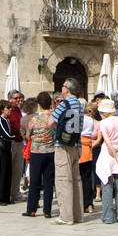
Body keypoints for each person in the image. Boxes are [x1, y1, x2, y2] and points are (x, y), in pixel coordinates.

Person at [47, 79, 85, 224]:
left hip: (62, 145)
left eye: (63, 85)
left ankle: (66, 217)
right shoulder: (80, 105)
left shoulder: (64, 104)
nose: (61, 87)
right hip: (76, 145)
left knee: (63, 180)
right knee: (76, 180)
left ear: (67, 89)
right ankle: (77, 214)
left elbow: (50, 122)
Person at [94, 98, 118, 224]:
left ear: (103, 113)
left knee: (107, 186)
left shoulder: (103, 123)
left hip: (108, 155)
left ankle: (108, 216)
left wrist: (114, 153)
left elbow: (107, 141)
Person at [22, 93, 55, 217]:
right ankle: (47, 210)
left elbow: (28, 135)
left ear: (39, 104)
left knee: (34, 181)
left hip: (36, 152)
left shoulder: (33, 119)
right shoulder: (53, 118)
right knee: (48, 182)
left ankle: (31, 209)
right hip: (50, 151)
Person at [0, 102, 16, 205]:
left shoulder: (7, 121)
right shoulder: (0, 120)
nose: (9, 110)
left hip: (7, 149)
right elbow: (6, 135)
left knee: (7, 172)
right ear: (2, 110)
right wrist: (14, 137)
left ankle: (5, 196)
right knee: (1, 172)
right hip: (1, 149)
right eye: (7, 108)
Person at [79, 99, 99, 213]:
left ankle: (81, 203)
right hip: (88, 147)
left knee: (79, 177)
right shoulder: (90, 120)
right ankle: (89, 204)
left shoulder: (77, 119)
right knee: (87, 177)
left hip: (79, 147)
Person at [7, 90, 25, 202]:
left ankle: (15, 192)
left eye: (19, 98)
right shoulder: (7, 110)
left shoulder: (19, 110)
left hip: (20, 142)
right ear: (10, 99)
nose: (19, 100)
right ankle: (8, 192)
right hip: (12, 142)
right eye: (16, 98)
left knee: (18, 170)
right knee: (10, 169)